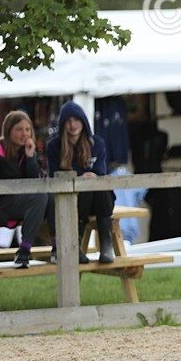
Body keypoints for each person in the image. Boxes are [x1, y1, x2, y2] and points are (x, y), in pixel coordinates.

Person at [0, 110, 50, 268]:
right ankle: (24, 251)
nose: (24, 134)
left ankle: (56, 248)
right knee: (40, 197)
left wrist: (30, 156)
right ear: (8, 131)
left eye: (27, 129)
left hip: (16, 201)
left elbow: (35, 181)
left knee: (51, 197)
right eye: (19, 129)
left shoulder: (25, 151)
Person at [45, 101, 116, 264]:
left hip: (98, 200)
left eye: (76, 119)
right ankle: (74, 245)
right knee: (86, 189)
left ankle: (106, 245)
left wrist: (89, 178)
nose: (72, 125)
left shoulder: (97, 143)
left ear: (83, 121)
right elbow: (54, 177)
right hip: (70, 200)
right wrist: (80, 179)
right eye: (68, 121)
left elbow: (101, 172)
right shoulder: (54, 147)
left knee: (101, 188)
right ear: (63, 124)